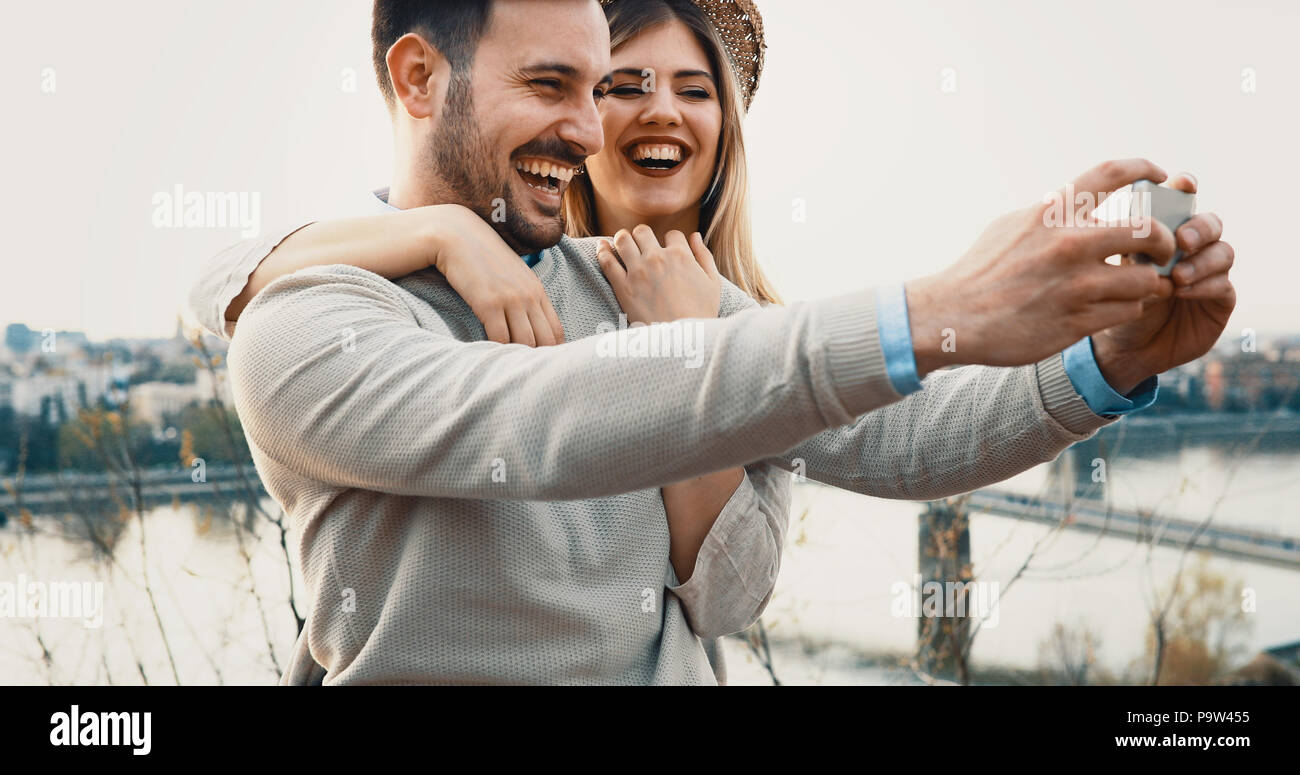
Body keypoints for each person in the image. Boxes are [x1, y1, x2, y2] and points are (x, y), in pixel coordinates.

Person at [190, 0, 1235, 685]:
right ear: (417, 79)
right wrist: (928, 306)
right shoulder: (310, 322)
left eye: (594, 91)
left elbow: (911, 441)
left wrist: (1115, 359)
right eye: (562, 88)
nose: (596, 130)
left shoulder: (636, 280)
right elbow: (541, 420)